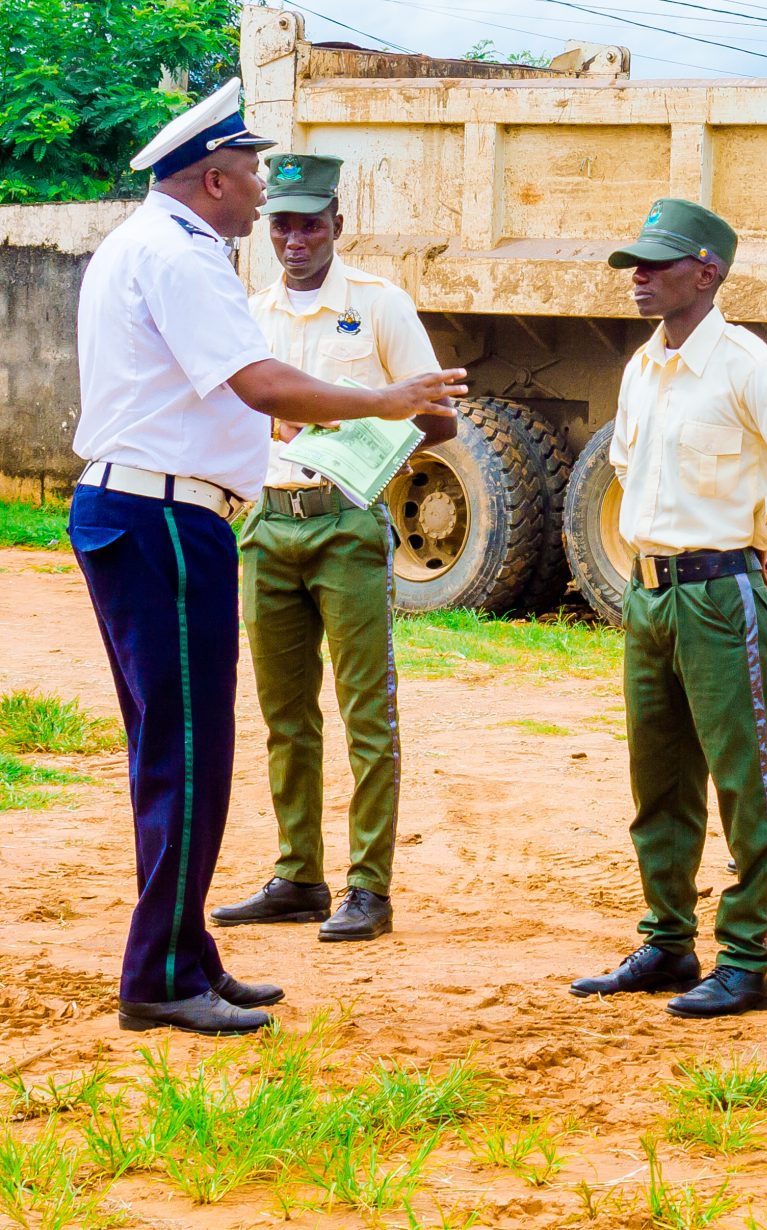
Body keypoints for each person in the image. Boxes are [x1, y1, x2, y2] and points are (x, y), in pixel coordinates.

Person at [72, 80, 461, 1035]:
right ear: (212, 180)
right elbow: (253, 382)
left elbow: (214, 394)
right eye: (250, 178)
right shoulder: (187, 256)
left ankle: (186, 951)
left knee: (179, 748)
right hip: (165, 517)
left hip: (150, 508)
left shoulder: (145, 245)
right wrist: (381, 400)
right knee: (188, 752)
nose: (260, 197)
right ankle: (161, 974)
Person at [567, 199, 767, 1019]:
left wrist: (757, 532)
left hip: (721, 595)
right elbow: (624, 462)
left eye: (657, 263)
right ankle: (669, 940)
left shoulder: (747, 365)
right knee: (659, 781)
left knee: (744, 779)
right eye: (634, 265)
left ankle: (748, 959)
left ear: (708, 271)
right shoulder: (642, 366)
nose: (640, 278)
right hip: (649, 598)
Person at [210, 152, 454, 946]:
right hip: (269, 527)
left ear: (337, 226)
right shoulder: (247, 314)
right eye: (282, 222)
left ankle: (369, 889)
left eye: (310, 222)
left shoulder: (379, 306)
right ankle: (297, 876)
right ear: (268, 229)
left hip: (348, 524)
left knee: (366, 716)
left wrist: (356, 425)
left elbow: (438, 416)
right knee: (286, 718)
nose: (295, 237)